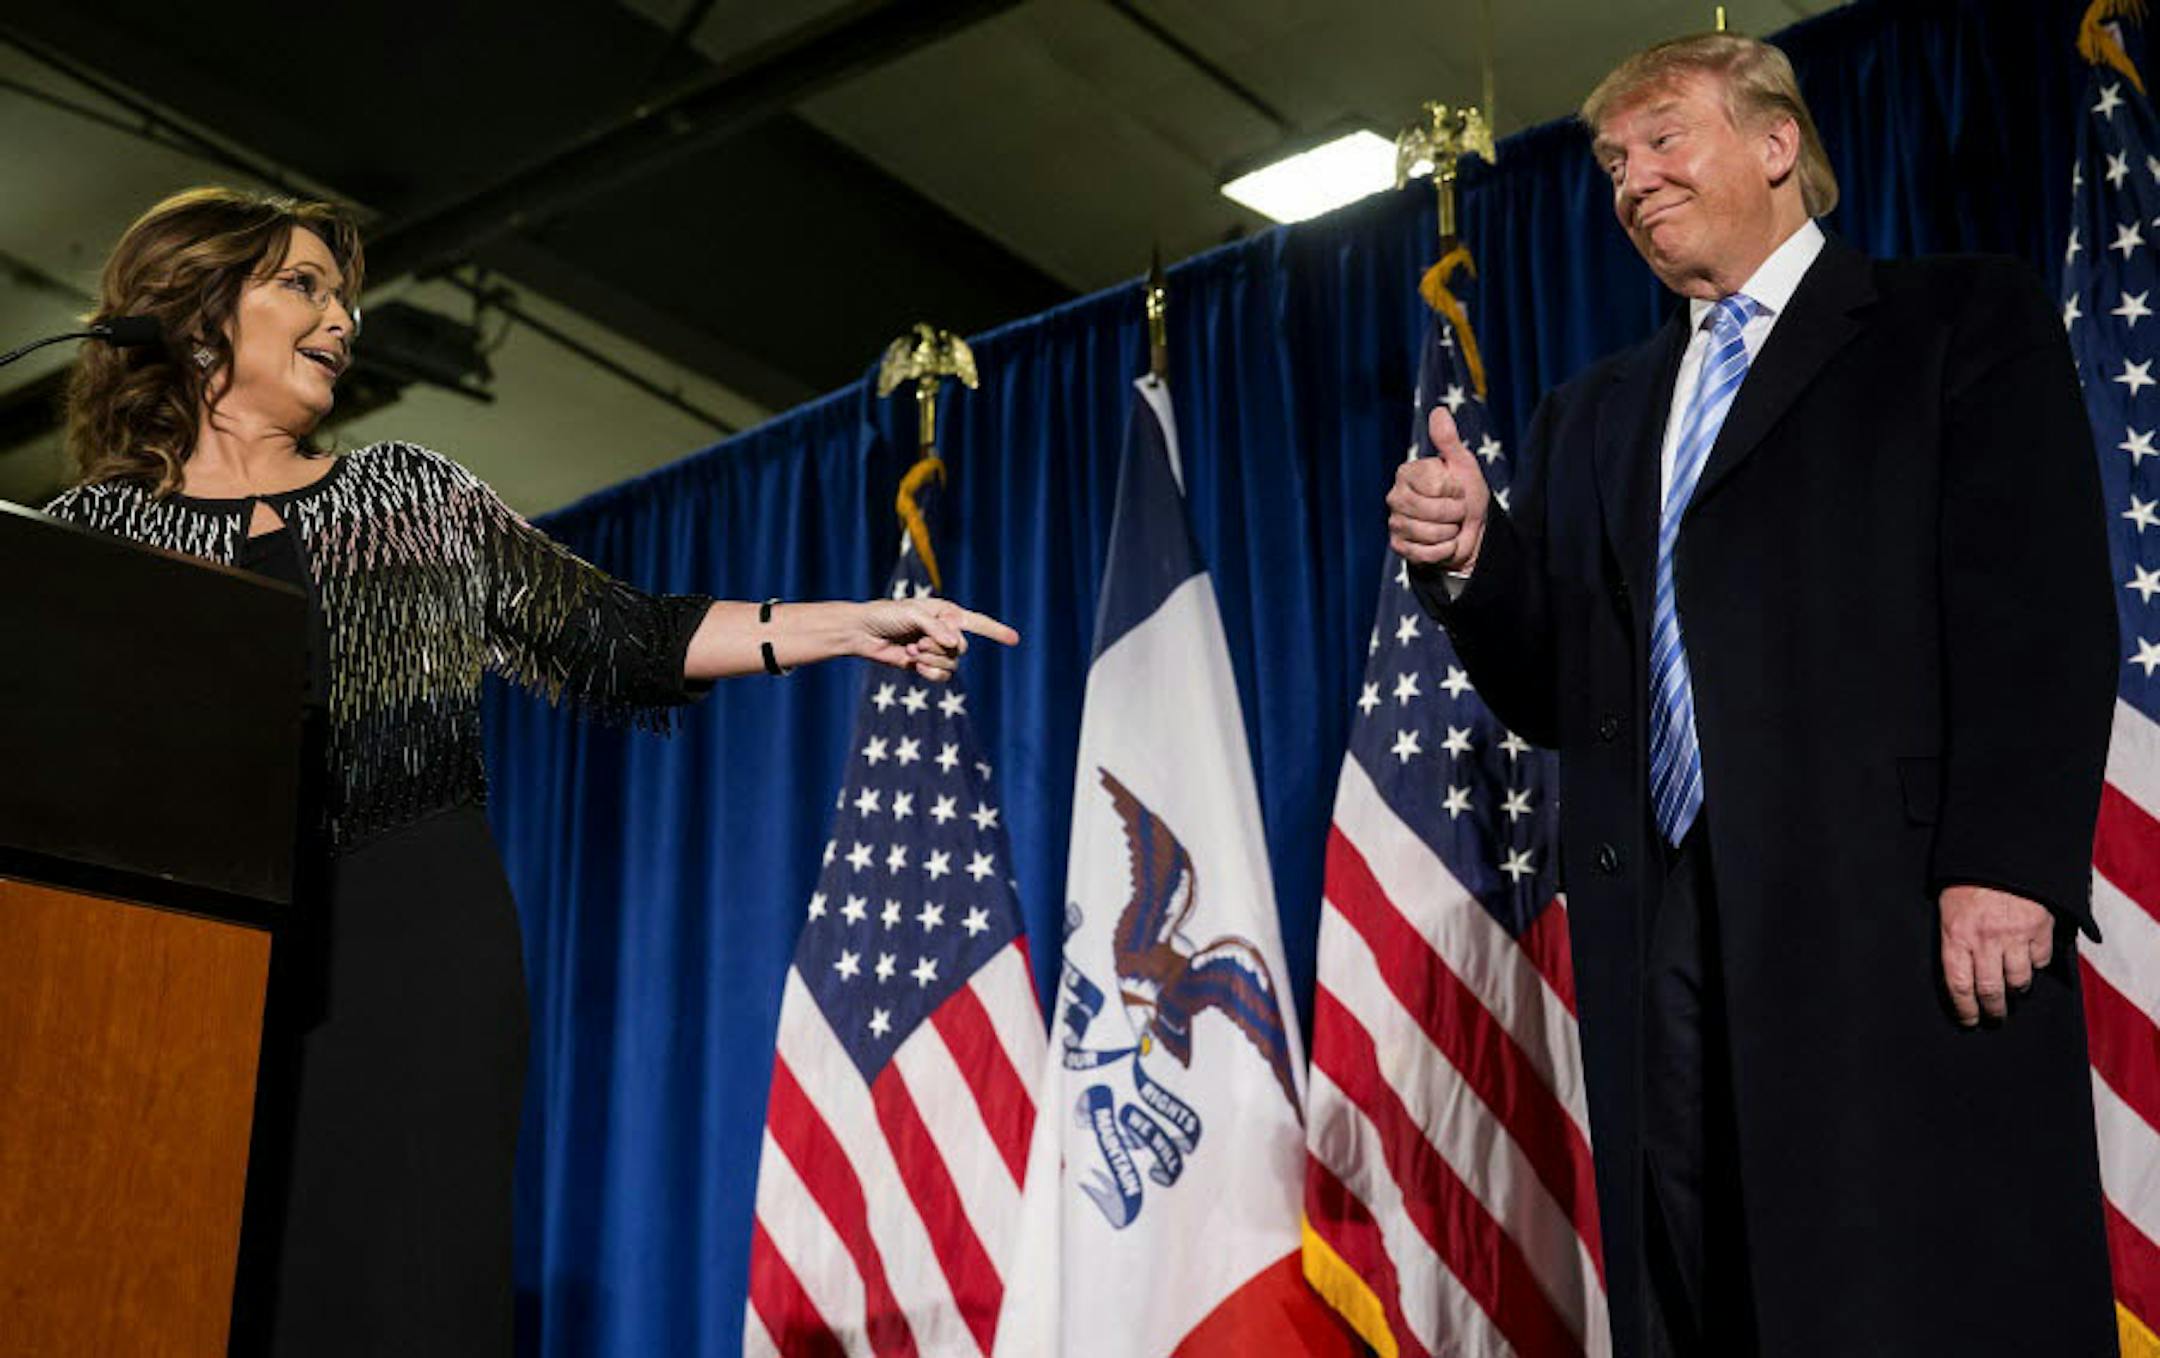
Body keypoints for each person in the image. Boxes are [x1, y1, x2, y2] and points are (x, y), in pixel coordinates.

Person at [41, 186, 1017, 1357]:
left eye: (344, 294)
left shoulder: (412, 498)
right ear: (193, 314)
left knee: (398, 1288)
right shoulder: (87, 536)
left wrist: (842, 623)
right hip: (167, 972)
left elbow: (624, 636)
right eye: (302, 283)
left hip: (407, 949)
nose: (343, 318)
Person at [1386, 33, 2119, 1358]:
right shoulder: (1591, 415)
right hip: (1657, 913)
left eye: (1666, 137)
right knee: (1707, 1272)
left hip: (1893, 907)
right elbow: (1563, 685)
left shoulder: (1955, 319)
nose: (1631, 177)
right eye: (1613, 160)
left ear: (1778, 143)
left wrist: (2006, 858)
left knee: (1920, 1277)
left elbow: (2039, 602)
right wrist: (1476, 557)